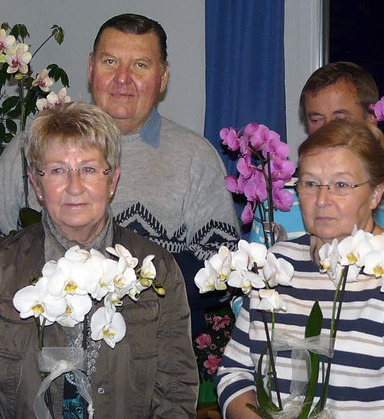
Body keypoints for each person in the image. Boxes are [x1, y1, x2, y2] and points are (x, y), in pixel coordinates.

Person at [0, 13, 240, 335]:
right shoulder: (29, 148)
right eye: (110, 61)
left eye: (140, 65)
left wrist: (116, 277)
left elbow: (221, 278)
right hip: (41, 352)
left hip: (153, 357)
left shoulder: (196, 159)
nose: (122, 78)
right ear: (90, 68)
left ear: (163, 76)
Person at [218, 120, 384, 418]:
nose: (322, 200)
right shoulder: (274, 266)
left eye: (341, 185)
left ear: (376, 193)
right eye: (310, 184)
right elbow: (234, 372)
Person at [0, 102, 198, 417]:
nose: (74, 186)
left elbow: (175, 393)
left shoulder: (156, 270)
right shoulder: (4, 270)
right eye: (57, 170)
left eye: (89, 169)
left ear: (113, 180)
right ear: (37, 184)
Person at [249, 61, 384, 263]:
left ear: (371, 119)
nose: (327, 129)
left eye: (340, 118)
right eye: (316, 120)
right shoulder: (277, 198)